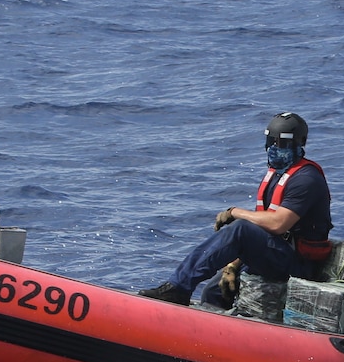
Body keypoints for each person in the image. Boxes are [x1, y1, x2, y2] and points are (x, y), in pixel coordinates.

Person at [139, 112, 333, 306]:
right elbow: (262, 231)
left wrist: (234, 212)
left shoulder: (306, 179)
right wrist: (232, 266)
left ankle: (178, 288)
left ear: (299, 144)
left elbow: (278, 224)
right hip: (277, 253)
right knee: (214, 292)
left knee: (240, 228)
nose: (275, 149)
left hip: (298, 264)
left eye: (282, 144)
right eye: (271, 142)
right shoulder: (277, 176)